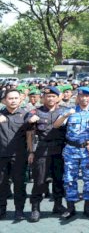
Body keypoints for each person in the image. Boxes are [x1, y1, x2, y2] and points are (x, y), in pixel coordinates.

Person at [53, 86, 89, 219]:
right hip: (71, 150)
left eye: (87, 96)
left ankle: (88, 206)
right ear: (77, 97)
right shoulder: (69, 111)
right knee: (70, 179)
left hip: (88, 150)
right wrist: (66, 115)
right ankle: (71, 207)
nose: (84, 99)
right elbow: (56, 125)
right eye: (82, 96)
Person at [27, 86, 67, 222]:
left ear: (58, 98)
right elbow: (29, 130)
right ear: (43, 98)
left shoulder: (64, 111)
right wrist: (31, 151)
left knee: (59, 179)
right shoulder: (36, 111)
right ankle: (35, 208)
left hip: (59, 151)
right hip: (42, 151)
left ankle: (58, 205)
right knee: (39, 180)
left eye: (53, 96)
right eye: (47, 96)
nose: (50, 98)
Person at [0, 89, 35, 220]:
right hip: (1, 155)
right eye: (10, 98)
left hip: (19, 155)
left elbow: (30, 135)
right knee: (1, 184)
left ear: (20, 99)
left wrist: (31, 151)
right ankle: (1, 209)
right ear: (4, 100)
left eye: (16, 98)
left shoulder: (26, 115)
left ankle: (19, 210)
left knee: (20, 184)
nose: (13, 101)